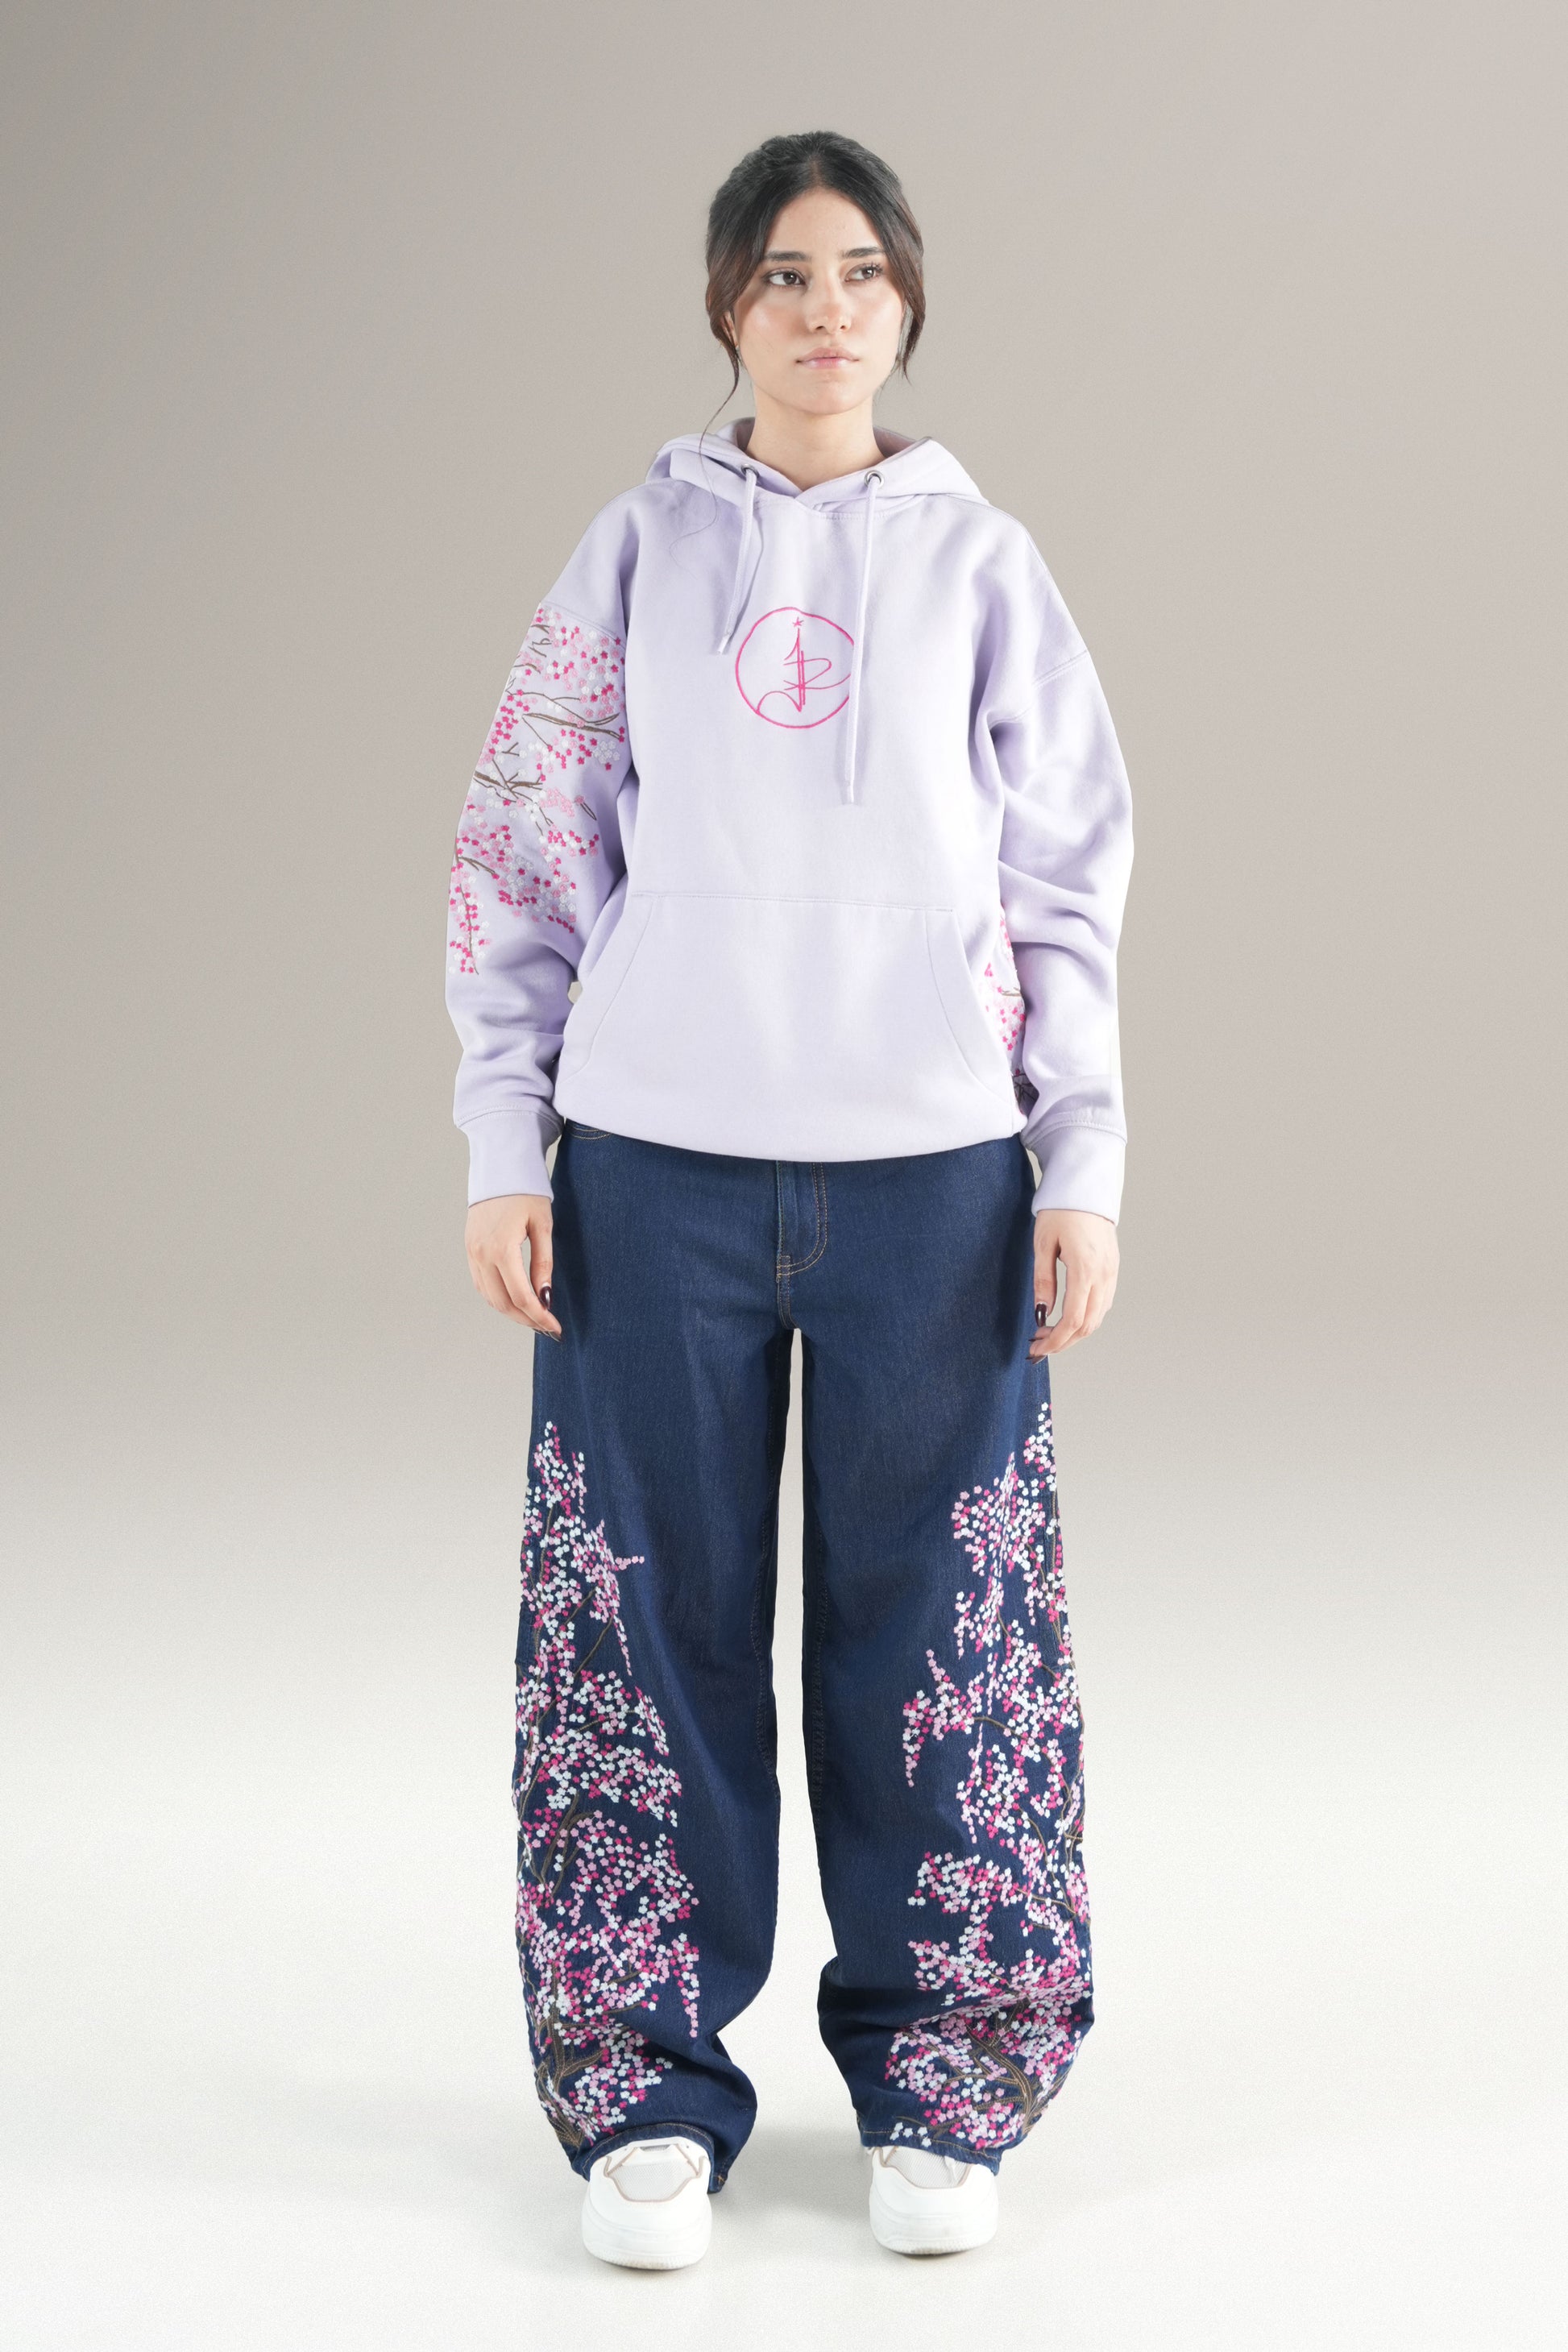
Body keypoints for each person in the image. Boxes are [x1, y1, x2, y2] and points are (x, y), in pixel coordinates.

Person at [444, 130, 1134, 2269]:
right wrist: (504, 1137)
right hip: (652, 1166)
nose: (822, 312)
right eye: (780, 275)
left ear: (906, 304)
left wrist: (1082, 1162)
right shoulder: (637, 550)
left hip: (934, 1173)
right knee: (637, 1623)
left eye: (857, 274)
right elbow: (524, 840)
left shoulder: (983, 563)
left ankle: (948, 2085)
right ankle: (641, 2093)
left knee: (941, 1632)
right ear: (725, 309)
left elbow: (1064, 880)